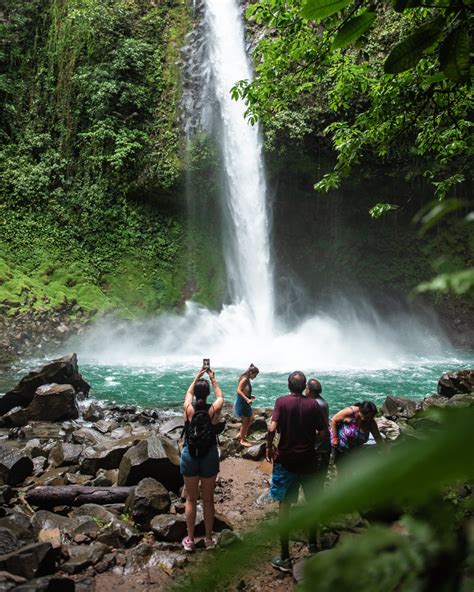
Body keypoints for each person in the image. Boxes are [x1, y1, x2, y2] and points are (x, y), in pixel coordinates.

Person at [266, 371, 328, 573]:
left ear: (288, 385)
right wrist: (311, 444)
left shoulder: (281, 402)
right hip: (308, 460)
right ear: (304, 388)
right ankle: (312, 543)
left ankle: (285, 557)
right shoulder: (314, 405)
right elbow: (322, 432)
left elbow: (271, 428)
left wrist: (269, 447)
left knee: (284, 507)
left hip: (286, 462)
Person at [180, 366, 224, 552]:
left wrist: (197, 375)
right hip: (209, 454)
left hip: (190, 454)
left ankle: (190, 540)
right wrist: (213, 379)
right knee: (208, 499)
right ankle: (208, 539)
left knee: (190, 499)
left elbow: (188, 393)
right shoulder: (213, 409)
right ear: (207, 395)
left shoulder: (188, 408)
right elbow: (221, 396)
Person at [305, 378, 331, 477]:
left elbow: (319, 429)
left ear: (308, 389)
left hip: (319, 448)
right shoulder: (320, 402)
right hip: (320, 446)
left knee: (315, 477)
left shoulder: (316, 404)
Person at [235, 363, 259, 447]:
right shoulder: (245, 379)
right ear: (251, 373)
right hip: (242, 403)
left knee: (251, 419)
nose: (255, 377)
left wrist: (249, 396)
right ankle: (242, 439)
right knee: (245, 422)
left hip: (245, 402)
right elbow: (238, 390)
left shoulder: (247, 378)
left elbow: (244, 390)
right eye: (255, 375)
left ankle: (240, 434)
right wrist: (247, 399)